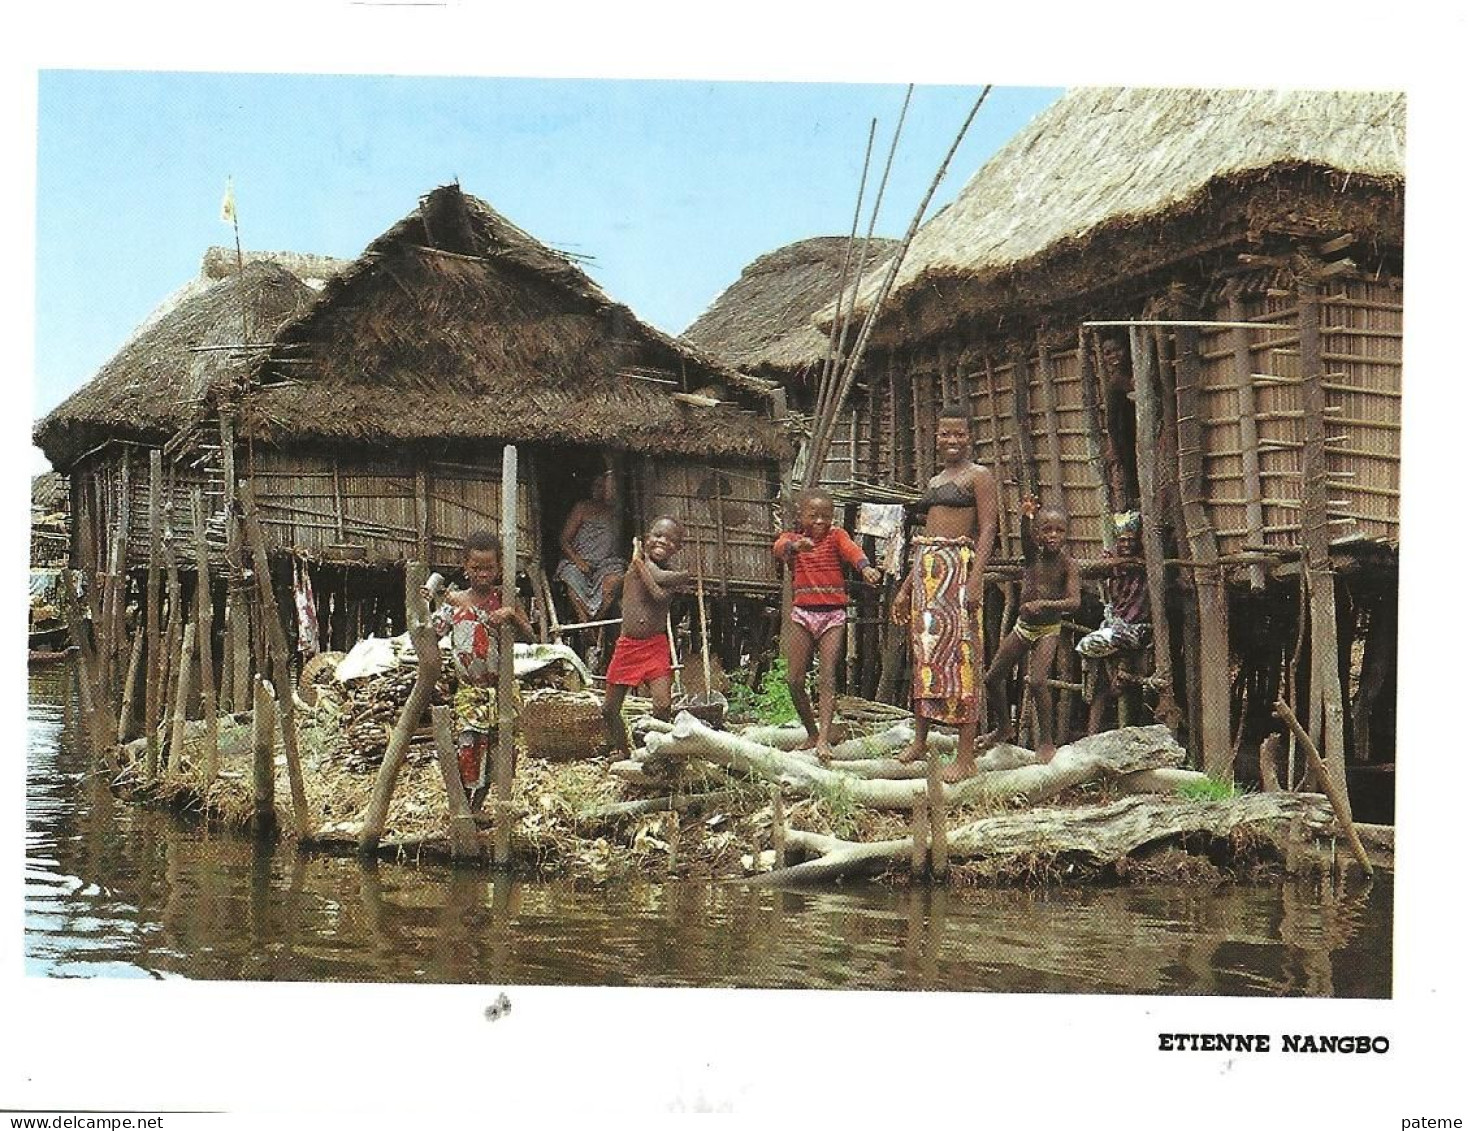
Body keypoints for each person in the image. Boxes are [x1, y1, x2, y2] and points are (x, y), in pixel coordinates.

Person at [894, 403, 999, 781]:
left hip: (958, 573)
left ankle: (966, 756)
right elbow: (926, 541)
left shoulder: (980, 477)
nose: (952, 439)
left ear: (970, 437)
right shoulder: (936, 481)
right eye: (945, 433)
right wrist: (907, 587)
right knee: (926, 657)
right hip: (927, 575)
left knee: (962, 658)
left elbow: (987, 529)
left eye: (959, 433)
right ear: (936, 437)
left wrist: (975, 579)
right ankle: (921, 740)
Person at [773, 487, 882, 761]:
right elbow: (779, 548)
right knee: (794, 679)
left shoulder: (836, 536)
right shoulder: (792, 539)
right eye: (813, 516)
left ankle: (823, 739)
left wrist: (865, 567)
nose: (820, 521)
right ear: (801, 515)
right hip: (802, 614)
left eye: (826, 516)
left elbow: (851, 550)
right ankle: (811, 732)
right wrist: (796, 547)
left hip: (833, 615)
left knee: (827, 677)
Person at [430, 530, 533, 808]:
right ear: (465, 567)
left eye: (489, 568)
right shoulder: (454, 601)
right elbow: (432, 633)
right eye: (476, 568)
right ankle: (463, 807)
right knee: (468, 748)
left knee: (498, 752)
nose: (483, 574)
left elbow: (531, 638)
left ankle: (478, 806)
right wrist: (425, 603)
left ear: (499, 568)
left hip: (501, 691)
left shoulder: (506, 600)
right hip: (470, 692)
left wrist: (512, 617)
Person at [982, 498, 1081, 763]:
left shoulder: (1068, 565)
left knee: (1038, 682)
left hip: (1048, 628)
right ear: (1038, 533)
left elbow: (1074, 602)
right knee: (992, 678)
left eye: (1059, 531)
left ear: (1066, 534)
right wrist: (1025, 517)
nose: (1053, 536)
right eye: (1047, 530)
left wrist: (1044, 604)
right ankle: (1004, 726)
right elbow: (1025, 536)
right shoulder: (1032, 556)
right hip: (1024, 627)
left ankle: (1047, 741)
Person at [601, 517, 690, 758]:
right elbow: (655, 577)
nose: (663, 541)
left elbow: (659, 595)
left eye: (671, 539)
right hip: (628, 646)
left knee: (662, 704)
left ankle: (657, 750)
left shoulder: (655, 569)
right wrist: (639, 563)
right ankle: (622, 748)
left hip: (654, 646)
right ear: (645, 540)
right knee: (609, 709)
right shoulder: (639, 566)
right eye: (658, 535)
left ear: (678, 547)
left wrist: (640, 561)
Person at [1077, 511, 1151, 735]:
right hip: (1113, 624)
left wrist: (1133, 562)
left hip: (1137, 629)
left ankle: (1118, 676)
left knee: (1085, 646)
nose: (1127, 544)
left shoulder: (1147, 562)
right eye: (1122, 540)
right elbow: (1093, 568)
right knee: (1096, 655)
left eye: (1131, 540)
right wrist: (1124, 561)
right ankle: (1114, 677)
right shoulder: (1112, 560)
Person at [555, 468, 625, 623]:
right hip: (580, 561)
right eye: (596, 486)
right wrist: (579, 563)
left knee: (613, 581)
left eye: (603, 487)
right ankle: (583, 620)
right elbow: (564, 540)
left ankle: (594, 624)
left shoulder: (615, 511)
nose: (598, 490)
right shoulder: (582, 508)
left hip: (606, 564)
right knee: (570, 575)